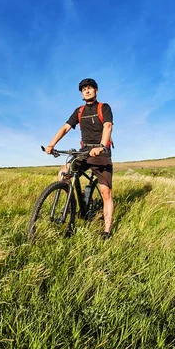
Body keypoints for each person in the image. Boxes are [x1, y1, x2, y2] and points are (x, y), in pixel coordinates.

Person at [45, 78, 114, 239]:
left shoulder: (104, 107)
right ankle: (71, 205)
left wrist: (102, 146)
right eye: (84, 89)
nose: (87, 91)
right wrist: (51, 144)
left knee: (105, 192)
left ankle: (106, 231)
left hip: (100, 152)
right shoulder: (79, 111)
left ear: (96, 90)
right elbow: (65, 127)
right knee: (63, 173)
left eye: (90, 88)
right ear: (82, 93)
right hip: (84, 151)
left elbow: (108, 126)